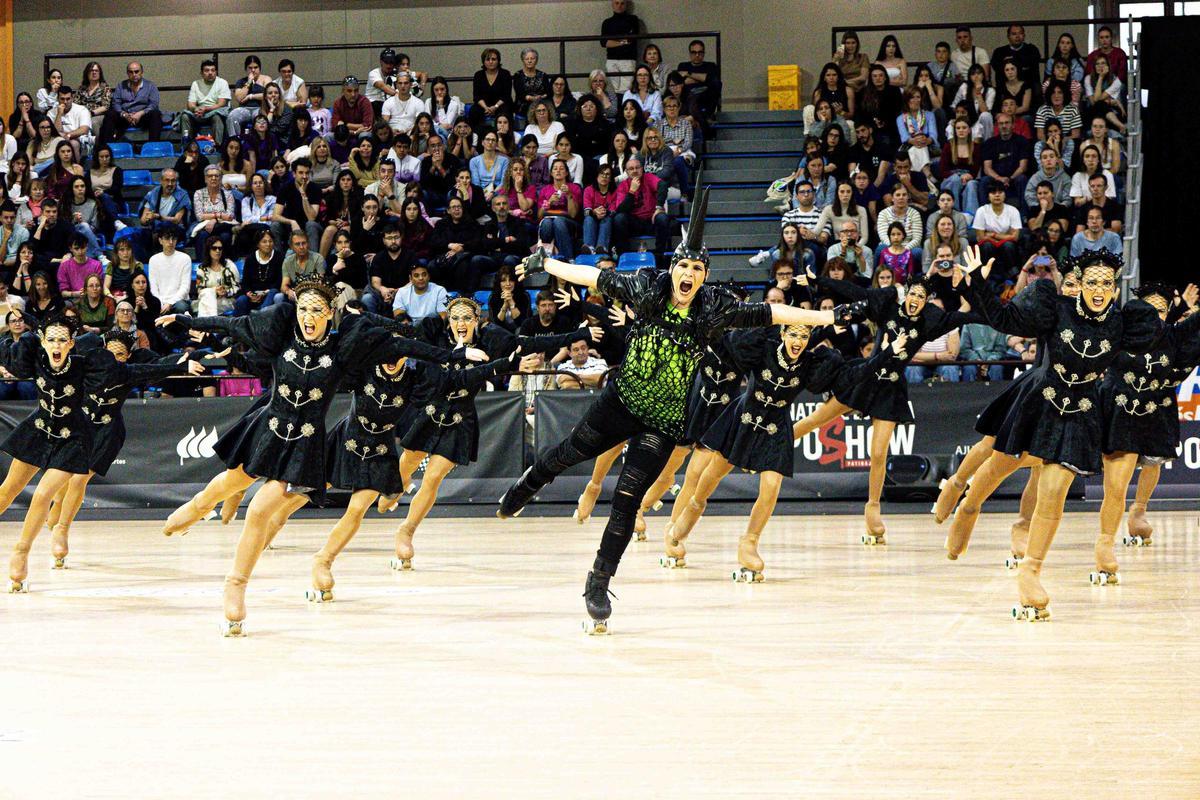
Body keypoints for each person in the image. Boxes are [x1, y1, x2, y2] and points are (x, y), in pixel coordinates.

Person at [495, 192, 841, 632]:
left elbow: (771, 312)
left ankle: (599, 582)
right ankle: (530, 482)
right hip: (620, 402)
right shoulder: (647, 286)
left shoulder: (714, 309)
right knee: (570, 451)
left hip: (664, 421)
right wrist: (548, 266)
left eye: (698, 269)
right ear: (673, 268)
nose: (689, 274)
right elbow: (591, 276)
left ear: (704, 276)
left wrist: (827, 321)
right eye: (684, 266)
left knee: (627, 500)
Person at [156, 282, 461, 634]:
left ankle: (236, 584)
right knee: (231, 482)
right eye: (303, 309)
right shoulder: (280, 336)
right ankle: (197, 507)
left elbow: (402, 344)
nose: (308, 317)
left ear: (330, 313)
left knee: (258, 510)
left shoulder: (342, 351)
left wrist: (456, 355)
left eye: (317, 310)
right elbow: (232, 324)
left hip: (305, 444)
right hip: (268, 429)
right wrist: (185, 317)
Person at [947, 245, 1157, 619]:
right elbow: (1001, 317)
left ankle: (1031, 571)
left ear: (1115, 289)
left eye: (1106, 284)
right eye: (1092, 281)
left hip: (1081, 412)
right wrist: (978, 282)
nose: (1098, 289)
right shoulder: (1053, 308)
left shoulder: (1123, 324)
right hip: (1039, 401)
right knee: (999, 465)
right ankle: (969, 505)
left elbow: (1167, 345)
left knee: (1055, 493)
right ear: (1081, 283)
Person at [666, 323, 905, 578]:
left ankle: (749, 542)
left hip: (775, 427)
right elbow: (726, 344)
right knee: (712, 476)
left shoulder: (810, 364)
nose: (798, 341)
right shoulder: (763, 349)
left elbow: (853, 374)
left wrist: (887, 352)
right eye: (793, 334)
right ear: (782, 334)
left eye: (803, 336)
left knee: (771, 486)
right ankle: (688, 516)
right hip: (744, 418)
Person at [791, 268, 977, 544]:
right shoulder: (888, 307)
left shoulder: (930, 321)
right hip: (864, 377)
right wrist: (820, 280)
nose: (915, 299)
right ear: (906, 295)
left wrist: (975, 287)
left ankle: (873, 508)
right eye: (913, 293)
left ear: (926, 300)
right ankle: (764, 446)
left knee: (878, 453)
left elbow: (968, 315)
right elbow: (857, 293)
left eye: (921, 296)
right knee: (816, 420)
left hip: (890, 389)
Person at [0, 312, 147, 592]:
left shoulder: (84, 366)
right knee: (7, 490)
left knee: (43, 494)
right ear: (43, 341)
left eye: (62, 340)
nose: (56, 345)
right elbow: (14, 358)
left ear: (71, 343)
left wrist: (181, 362)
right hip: (39, 429)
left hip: (74, 437)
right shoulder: (36, 358)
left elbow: (131, 372)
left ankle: (22, 550)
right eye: (51, 339)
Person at [1101, 283, 1200, 550]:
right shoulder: (1118, 330)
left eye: (1159, 311)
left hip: (1158, 403)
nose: (1153, 317)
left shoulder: (1172, 335)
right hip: (1120, 407)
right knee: (1118, 476)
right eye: (1147, 311)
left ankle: (1139, 510)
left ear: (1168, 312)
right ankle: (1106, 537)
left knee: (1153, 460)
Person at [610, 155, 671, 261]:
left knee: (662, 218)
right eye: (631, 169)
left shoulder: (648, 177)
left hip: (651, 220)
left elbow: (662, 185)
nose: (634, 171)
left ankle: (659, 255)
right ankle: (624, 256)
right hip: (634, 223)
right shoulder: (623, 185)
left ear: (642, 169)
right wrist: (631, 192)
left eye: (637, 167)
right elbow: (621, 210)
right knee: (619, 218)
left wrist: (658, 207)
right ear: (627, 172)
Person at [98, 62, 163, 144]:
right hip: (125, 117)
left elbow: (154, 104)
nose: (134, 74)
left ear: (141, 72)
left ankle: (153, 146)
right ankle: (107, 147)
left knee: (156, 114)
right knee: (110, 114)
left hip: (143, 116)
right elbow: (116, 103)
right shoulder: (121, 86)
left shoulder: (150, 86)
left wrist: (140, 113)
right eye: (131, 72)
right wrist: (124, 114)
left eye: (136, 71)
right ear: (127, 73)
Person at [271, 157, 323, 253]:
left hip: (310, 227)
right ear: (294, 174)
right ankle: (278, 259)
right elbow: (275, 216)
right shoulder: (285, 188)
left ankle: (312, 262)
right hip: (292, 226)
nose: (304, 176)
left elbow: (311, 217)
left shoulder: (315, 189)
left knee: (311, 225)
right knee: (275, 226)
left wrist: (303, 195)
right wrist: (292, 222)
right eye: (301, 173)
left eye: (307, 173)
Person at [980, 113, 1030, 206]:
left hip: (1014, 179)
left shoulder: (1022, 141)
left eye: (1007, 123)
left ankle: (1024, 215)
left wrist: (1009, 179)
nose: (1004, 126)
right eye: (1001, 123)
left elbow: (1023, 167)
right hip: (996, 179)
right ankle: (984, 213)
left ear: (1013, 125)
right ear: (997, 126)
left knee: (1022, 178)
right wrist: (999, 178)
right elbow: (987, 169)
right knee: (984, 181)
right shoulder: (989, 143)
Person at [181, 59, 231, 145]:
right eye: (207, 70)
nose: (210, 73)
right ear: (201, 73)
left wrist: (206, 109)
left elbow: (222, 104)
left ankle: (218, 146)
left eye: (213, 70)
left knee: (217, 118)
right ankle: (187, 146)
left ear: (216, 72)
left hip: (215, 112)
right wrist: (196, 108)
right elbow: (190, 104)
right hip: (199, 113)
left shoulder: (222, 83)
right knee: (185, 116)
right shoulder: (195, 84)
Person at [147, 227, 192, 316]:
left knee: (181, 307)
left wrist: (170, 303)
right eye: (167, 238)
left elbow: (185, 287)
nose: (171, 242)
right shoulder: (154, 259)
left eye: (173, 239)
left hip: (179, 301)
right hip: (160, 300)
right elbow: (153, 287)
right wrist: (161, 303)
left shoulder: (185, 258)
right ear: (160, 241)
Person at [600, 0, 641, 93]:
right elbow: (604, 43)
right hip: (611, 60)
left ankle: (624, 106)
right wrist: (622, 42)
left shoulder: (633, 20)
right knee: (616, 90)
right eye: (617, 3)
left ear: (626, 5)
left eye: (622, 3)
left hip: (628, 59)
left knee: (625, 90)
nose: (619, 6)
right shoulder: (607, 22)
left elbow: (632, 39)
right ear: (612, 4)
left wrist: (614, 42)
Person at [227, 56, 272, 139]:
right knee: (232, 116)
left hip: (260, 108)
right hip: (245, 109)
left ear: (260, 68)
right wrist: (249, 82)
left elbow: (269, 95)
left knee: (260, 118)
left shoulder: (266, 79)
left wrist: (250, 97)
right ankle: (235, 140)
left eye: (256, 67)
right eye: (250, 68)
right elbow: (239, 98)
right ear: (246, 69)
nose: (253, 70)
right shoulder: (241, 82)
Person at [470, 48, 513, 128]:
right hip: (483, 105)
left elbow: (506, 95)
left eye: (493, 59)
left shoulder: (505, 74)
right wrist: (486, 107)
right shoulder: (478, 75)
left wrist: (495, 107)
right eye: (487, 59)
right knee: (473, 111)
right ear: (483, 61)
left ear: (498, 60)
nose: (490, 62)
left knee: (506, 110)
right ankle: (476, 135)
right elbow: (476, 96)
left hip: (500, 105)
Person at [47, 86, 92, 163]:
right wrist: (59, 114)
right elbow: (56, 132)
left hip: (78, 140)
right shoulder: (51, 113)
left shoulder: (82, 110)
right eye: (62, 99)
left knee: (73, 144)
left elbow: (84, 130)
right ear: (58, 98)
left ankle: (76, 169)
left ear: (72, 98)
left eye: (68, 99)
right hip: (58, 140)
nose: (65, 102)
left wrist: (68, 135)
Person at [992, 24, 1042, 90]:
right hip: (1006, 88)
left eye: (1020, 33)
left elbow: (1033, 71)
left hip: (1028, 87)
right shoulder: (999, 52)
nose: (1017, 36)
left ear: (1024, 36)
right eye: (1014, 34)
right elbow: (998, 71)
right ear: (1008, 36)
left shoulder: (1031, 50)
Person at [1022, 147, 1071, 213]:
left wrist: (1057, 209)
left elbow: (1067, 200)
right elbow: (1029, 196)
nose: (1048, 159)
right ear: (1041, 162)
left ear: (1056, 159)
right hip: (1039, 210)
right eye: (1045, 157)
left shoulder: (1065, 178)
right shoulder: (1035, 178)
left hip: (1059, 212)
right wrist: (1040, 208)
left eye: (1051, 156)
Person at [848, 118, 893, 188]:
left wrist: (870, 192)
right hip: (860, 187)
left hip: (879, 186)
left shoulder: (883, 147)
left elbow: (880, 176)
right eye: (857, 132)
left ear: (870, 130)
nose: (860, 135)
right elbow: (852, 176)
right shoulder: (853, 150)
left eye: (863, 130)